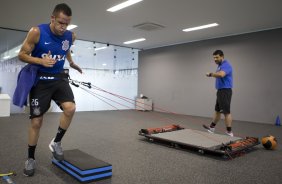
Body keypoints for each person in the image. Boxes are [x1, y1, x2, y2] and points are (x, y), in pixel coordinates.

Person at [17, 3, 82, 176]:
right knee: (36, 122)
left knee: (71, 108)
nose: (63, 27)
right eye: (60, 22)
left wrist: (71, 62)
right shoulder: (36, 32)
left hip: (59, 78)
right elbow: (21, 54)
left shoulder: (70, 35)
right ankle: (30, 158)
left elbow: (65, 48)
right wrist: (40, 61)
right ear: (52, 18)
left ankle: (56, 142)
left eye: (66, 24)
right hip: (41, 80)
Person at [204, 50, 234, 137]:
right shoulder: (220, 66)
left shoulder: (226, 65)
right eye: (214, 58)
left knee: (226, 112)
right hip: (220, 91)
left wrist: (210, 74)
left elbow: (221, 75)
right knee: (217, 111)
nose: (215, 59)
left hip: (225, 91)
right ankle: (212, 127)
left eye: (217, 57)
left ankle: (229, 132)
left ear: (222, 56)